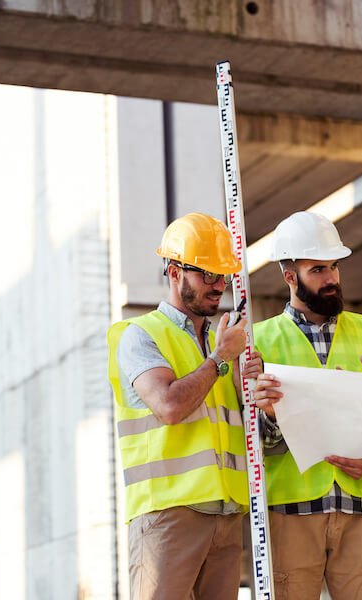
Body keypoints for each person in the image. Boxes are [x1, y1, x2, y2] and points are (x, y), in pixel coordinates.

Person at [248, 211, 362, 599]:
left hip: (361, 511)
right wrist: (269, 416)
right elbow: (252, 447)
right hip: (289, 515)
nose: (331, 278)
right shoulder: (257, 343)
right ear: (290, 277)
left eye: (334, 267)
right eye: (318, 269)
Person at [106, 212, 250, 599]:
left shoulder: (226, 342)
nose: (218, 286)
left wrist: (245, 376)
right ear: (173, 272)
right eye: (207, 275)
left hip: (226, 514)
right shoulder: (140, 336)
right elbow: (169, 406)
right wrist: (219, 360)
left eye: (223, 276)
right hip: (170, 515)